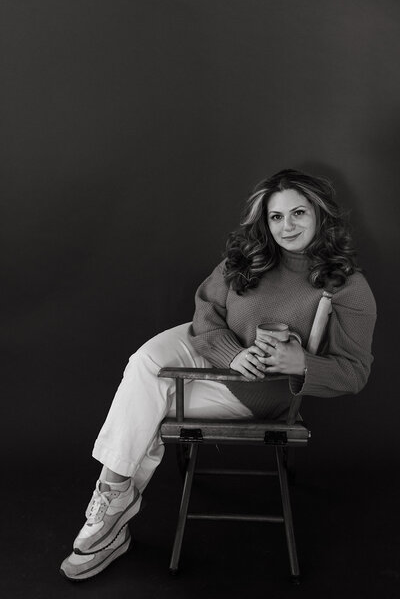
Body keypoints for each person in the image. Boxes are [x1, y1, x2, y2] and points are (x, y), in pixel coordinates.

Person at [60, 169, 376, 580]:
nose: (287, 226)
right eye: (276, 217)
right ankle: (114, 497)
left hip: (253, 392)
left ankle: (108, 518)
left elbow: (355, 372)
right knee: (143, 365)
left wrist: (301, 365)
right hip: (208, 347)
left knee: (152, 403)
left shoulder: (347, 286)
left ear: (320, 214)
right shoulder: (248, 258)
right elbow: (206, 313)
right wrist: (232, 353)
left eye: (299, 212)